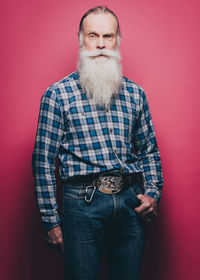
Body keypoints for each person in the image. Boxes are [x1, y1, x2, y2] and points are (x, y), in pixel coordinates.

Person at [32, 6, 163, 280]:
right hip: (81, 206)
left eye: (108, 36)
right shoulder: (58, 95)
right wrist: (51, 222)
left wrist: (152, 192)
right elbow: (43, 162)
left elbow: (149, 150)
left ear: (118, 40)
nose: (101, 44)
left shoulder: (135, 94)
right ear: (81, 39)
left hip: (130, 203)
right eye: (93, 35)